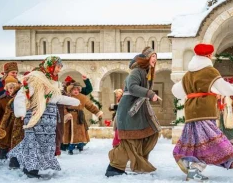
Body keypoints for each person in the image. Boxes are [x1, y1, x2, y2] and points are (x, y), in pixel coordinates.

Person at [172, 44, 233, 181]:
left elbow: (176, 92)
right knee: (210, 144)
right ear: (208, 56)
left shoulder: (188, 74)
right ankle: (194, 169)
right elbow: (224, 88)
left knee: (194, 141)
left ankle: (183, 158)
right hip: (205, 111)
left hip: (191, 113)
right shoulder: (210, 71)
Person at [8, 56, 80, 178]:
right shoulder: (36, 78)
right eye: (58, 67)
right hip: (36, 116)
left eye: (60, 67)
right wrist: (21, 112)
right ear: (50, 65)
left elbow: (55, 98)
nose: (59, 70)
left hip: (49, 121)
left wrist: (73, 101)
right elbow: (22, 94)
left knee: (42, 144)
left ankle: (15, 158)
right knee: (33, 143)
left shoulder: (53, 81)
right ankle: (30, 170)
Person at [105, 47, 161, 177]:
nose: (155, 59)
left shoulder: (146, 73)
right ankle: (114, 167)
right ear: (146, 58)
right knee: (131, 140)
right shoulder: (137, 71)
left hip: (139, 110)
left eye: (156, 57)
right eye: (153, 56)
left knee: (150, 133)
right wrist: (149, 93)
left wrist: (148, 94)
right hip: (129, 110)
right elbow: (132, 86)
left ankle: (138, 161)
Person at [63, 81, 103, 155]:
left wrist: (98, 112)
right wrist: (66, 114)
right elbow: (63, 107)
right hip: (69, 118)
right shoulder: (67, 97)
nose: (76, 91)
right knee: (70, 133)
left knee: (80, 133)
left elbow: (90, 106)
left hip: (79, 117)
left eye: (77, 90)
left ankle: (80, 146)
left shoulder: (83, 97)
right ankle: (70, 148)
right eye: (74, 90)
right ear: (71, 90)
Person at [57, 75, 93, 155]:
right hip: (67, 115)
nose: (75, 90)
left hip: (78, 115)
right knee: (67, 130)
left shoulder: (78, 91)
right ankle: (64, 145)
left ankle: (80, 144)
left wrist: (86, 80)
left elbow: (89, 89)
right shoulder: (63, 92)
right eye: (67, 83)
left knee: (80, 131)